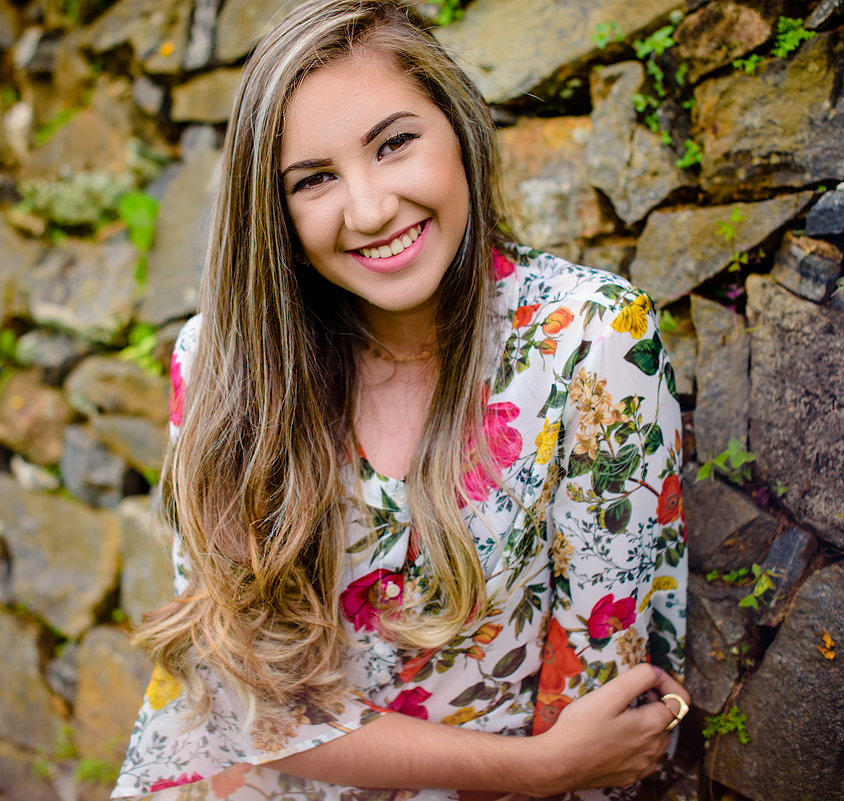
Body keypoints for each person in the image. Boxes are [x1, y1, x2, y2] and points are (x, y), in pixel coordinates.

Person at [113, 1, 689, 799]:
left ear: (459, 128)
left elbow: (604, 717)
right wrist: (540, 767)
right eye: (313, 179)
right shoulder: (223, 357)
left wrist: (558, 768)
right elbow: (241, 700)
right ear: (274, 213)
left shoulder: (590, 342)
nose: (371, 208)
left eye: (394, 143)